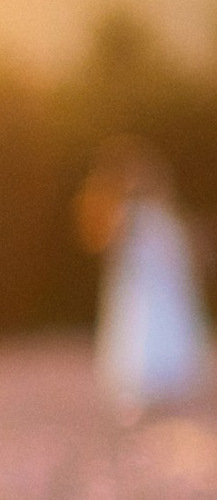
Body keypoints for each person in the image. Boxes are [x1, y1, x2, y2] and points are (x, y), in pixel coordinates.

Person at [78, 140, 214, 427]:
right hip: (140, 286)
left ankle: (166, 386)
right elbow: (109, 248)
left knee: (160, 327)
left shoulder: (163, 214)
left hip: (161, 286)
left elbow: (177, 251)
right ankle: (145, 388)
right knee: (139, 327)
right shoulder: (128, 214)